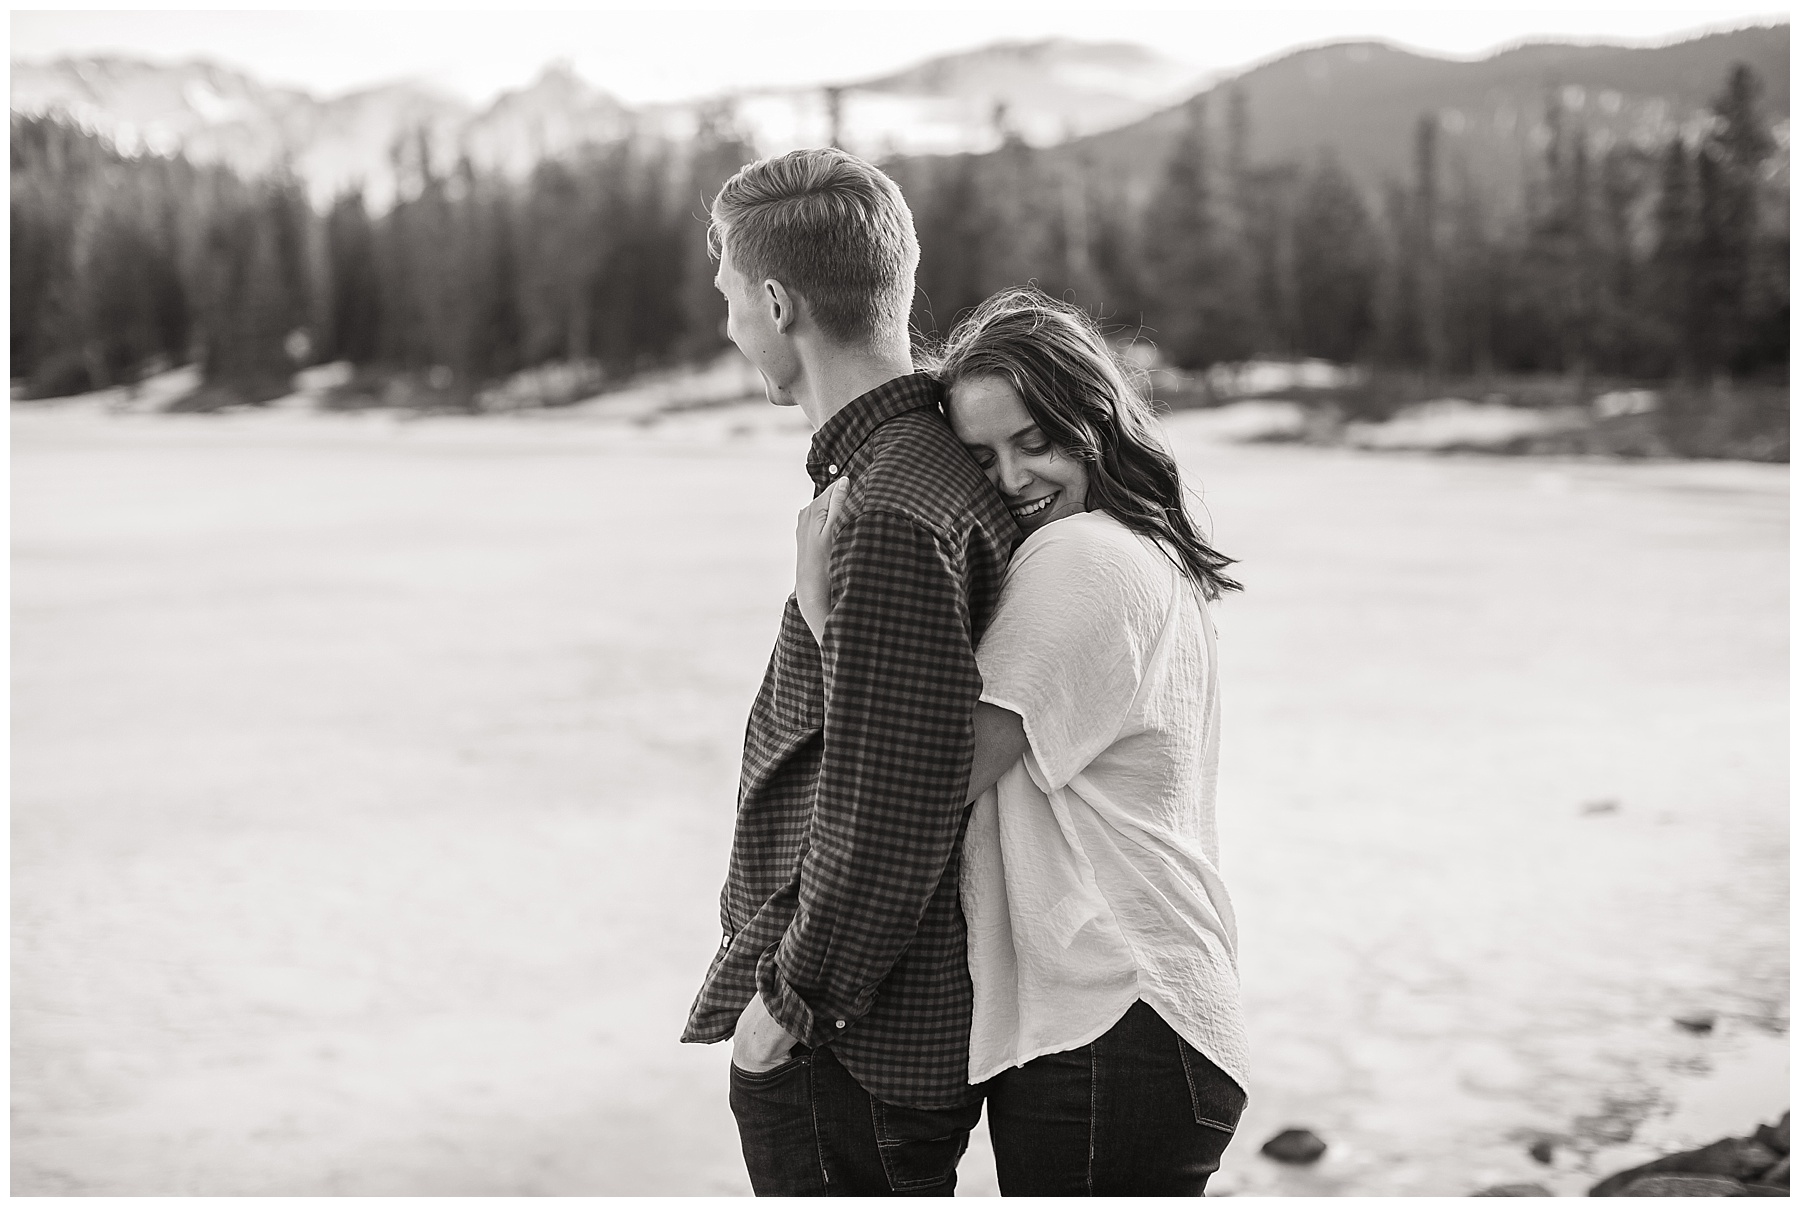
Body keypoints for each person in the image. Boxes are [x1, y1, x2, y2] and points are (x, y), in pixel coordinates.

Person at [796, 287, 1251, 1195]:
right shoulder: (1146, 554)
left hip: (1113, 1018)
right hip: (1151, 1019)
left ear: (1094, 426)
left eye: (1034, 442)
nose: (1011, 480)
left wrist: (822, 615)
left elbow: (936, 770)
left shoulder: (1083, 556)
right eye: (982, 456)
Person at [680, 147, 1020, 1196]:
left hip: (856, 1046)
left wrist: (788, 1005)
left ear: (777, 302)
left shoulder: (887, 509)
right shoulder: (910, 473)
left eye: (731, 296)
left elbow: (895, 805)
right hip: (871, 1030)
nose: (731, 322)